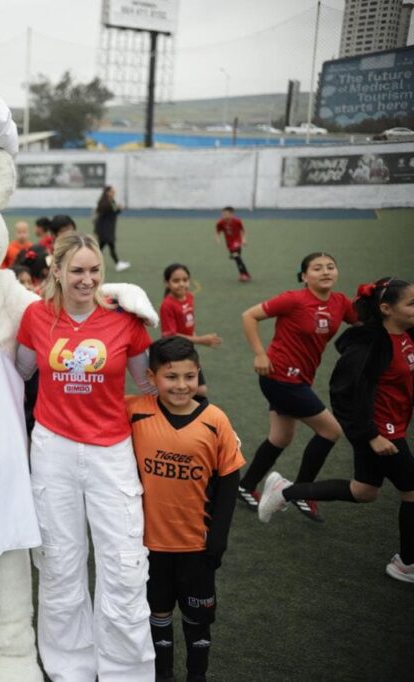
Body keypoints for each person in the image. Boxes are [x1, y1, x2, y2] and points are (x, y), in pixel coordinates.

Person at [15, 232, 155, 680]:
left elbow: (148, 385)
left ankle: (125, 672)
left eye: (95, 270)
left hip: (111, 451)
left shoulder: (126, 320)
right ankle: (68, 669)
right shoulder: (36, 318)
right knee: (59, 562)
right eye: (77, 270)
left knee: (124, 563)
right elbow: (17, 376)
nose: (87, 279)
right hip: (52, 450)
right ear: (56, 271)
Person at [259, 277, 414, 583]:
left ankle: (286, 491)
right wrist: (371, 435)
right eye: (410, 303)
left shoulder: (406, 333)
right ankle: (406, 564)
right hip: (381, 433)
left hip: (391, 428)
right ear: (386, 309)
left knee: (364, 491)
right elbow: (344, 394)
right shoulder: (368, 345)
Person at [127, 336, 245, 681]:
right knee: (157, 614)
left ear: (198, 375)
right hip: (149, 546)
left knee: (198, 620)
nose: (181, 385)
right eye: (171, 376)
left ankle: (197, 674)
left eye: (189, 376)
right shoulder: (134, 410)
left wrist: (218, 539)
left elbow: (228, 482)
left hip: (196, 545)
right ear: (151, 377)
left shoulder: (215, 420)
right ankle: (162, 673)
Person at [236, 252, 356, 522]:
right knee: (331, 431)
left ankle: (245, 486)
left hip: (301, 378)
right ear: (304, 276)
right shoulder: (294, 299)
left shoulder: (340, 302)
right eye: (317, 268)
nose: (325, 272)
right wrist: (259, 354)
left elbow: (363, 323)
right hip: (279, 377)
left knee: (281, 437)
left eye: (330, 267)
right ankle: (301, 491)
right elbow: (249, 316)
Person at [160, 263, 221, 397]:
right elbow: (171, 336)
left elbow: (189, 325)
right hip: (174, 353)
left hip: (188, 349)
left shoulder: (189, 297)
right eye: (176, 281)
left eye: (185, 280)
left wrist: (194, 342)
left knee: (199, 390)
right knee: (194, 390)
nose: (181, 284)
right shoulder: (167, 305)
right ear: (167, 283)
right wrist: (201, 340)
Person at [93, 185, 130, 272]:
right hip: (104, 229)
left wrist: (119, 209)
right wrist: (97, 230)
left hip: (109, 227)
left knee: (101, 248)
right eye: (112, 191)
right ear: (107, 192)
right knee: (110, 245)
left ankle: (93, 263)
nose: (114, 193)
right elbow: (99, 217)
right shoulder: (104, 203)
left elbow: (113, 213)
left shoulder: (111, 201)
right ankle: (117, 263)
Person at [215, 207, 250, 282]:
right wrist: (217, 238)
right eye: (223, 214)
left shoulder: (237, 221)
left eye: (225, 214)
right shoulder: (221, 222)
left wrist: (244, 239)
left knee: (236, 256)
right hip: (229, 244)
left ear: (231, 214)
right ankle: (244, 274)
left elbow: (242, 230)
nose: (223, 216)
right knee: (237, 259)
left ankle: (244, 275)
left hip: (237, 242)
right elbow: (217, 231)